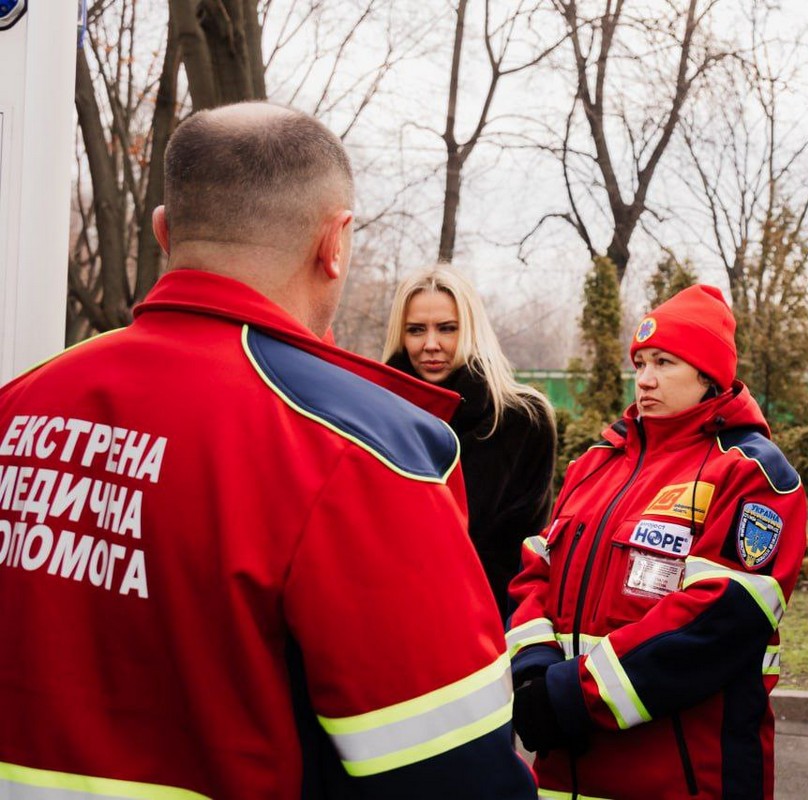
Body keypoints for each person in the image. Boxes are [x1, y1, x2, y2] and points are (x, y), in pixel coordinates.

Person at [0, 102, 535, 799]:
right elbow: (450, 768)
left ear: (164, 232)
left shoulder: (19, 404)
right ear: (335, 242)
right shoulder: (355, 450)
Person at [505, 284, 808, 798]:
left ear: (709, 376)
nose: (644, 380)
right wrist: (534, 669)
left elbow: (719, 621)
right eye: (640, 363)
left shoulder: (749, 471)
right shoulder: (594, 464)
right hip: (564, 774)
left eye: (664, 363)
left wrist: (571, 697)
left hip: (683, 775)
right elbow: (537, 570)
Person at [382, 267, 556, 617]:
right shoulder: (375, 410)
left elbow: (515, 552)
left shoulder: (522, 419)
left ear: (471, 330)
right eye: (416, 330)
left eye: (447, 328)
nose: (431, 344)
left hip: (482, 622)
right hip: (386, 616)